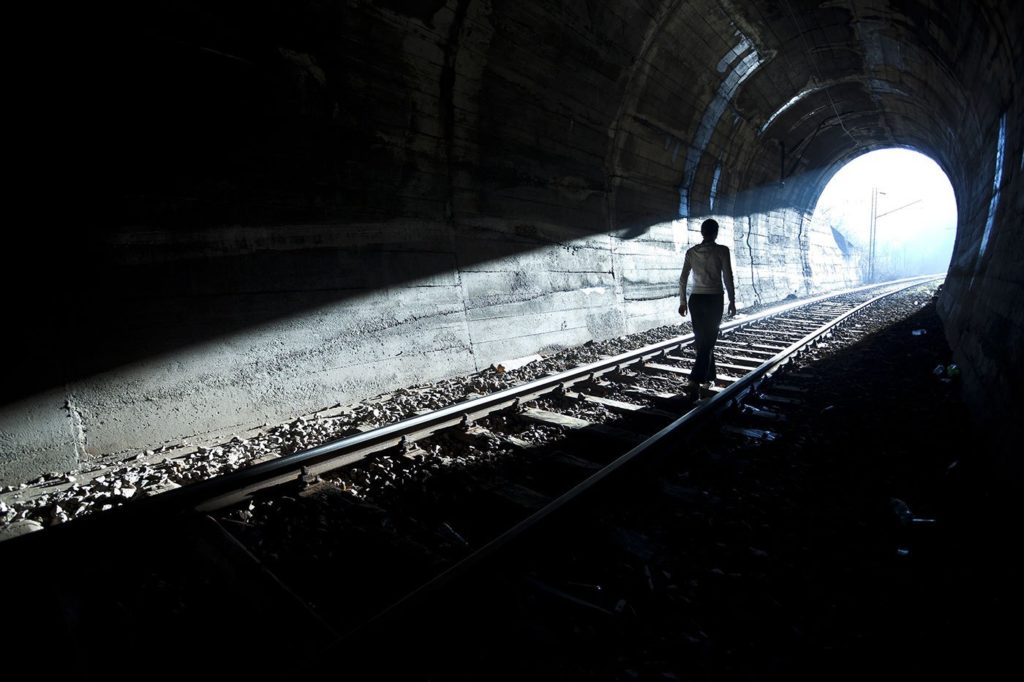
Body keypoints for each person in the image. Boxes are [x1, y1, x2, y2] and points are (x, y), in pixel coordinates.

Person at [678, 218, 736, 397]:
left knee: (702, 341)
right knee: (708, 341)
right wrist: (732, 301)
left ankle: (710, 376)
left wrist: (683, 302)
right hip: (714, 299)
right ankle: (695, 380)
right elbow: (728, 277)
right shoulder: (722, 251)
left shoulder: (691, 252)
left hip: (696, 299)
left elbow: (683, 279)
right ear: (715, 233)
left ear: (702, 233)